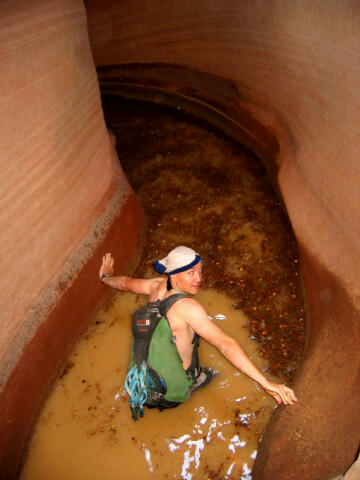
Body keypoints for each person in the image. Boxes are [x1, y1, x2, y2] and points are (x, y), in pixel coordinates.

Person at [99, 246, 297, 415]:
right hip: (170, 394)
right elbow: (224, 343)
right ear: (174, 274)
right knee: (210, 377)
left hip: (139, 381)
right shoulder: (189, 308)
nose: (199, 278)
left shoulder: (154, 285)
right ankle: (190, 388)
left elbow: (125, 284)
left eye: (200, 271)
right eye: (191, 273)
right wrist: (266, 383)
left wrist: (105, 277)